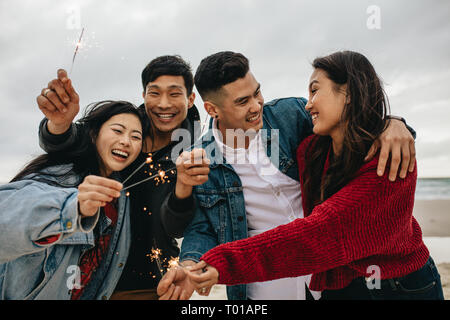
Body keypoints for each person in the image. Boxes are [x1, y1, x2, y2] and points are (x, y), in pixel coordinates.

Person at [179, 51, 445, 300]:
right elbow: (201, 225)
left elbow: (321, 232)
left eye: (257, 92)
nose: (256, 105)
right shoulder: (203, 158)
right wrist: (191, 264)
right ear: (212, 109)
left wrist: (395, 123)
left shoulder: (290, 117)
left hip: (363, 280)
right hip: (274, 285)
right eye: (242, 101)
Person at [36, 56, 210, 299]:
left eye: (174, 94)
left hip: (151, 284)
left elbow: (180, 227)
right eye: (154, 93)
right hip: (84, 279)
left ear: (190, 99)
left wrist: (183, 187)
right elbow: (66, 142)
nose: (163, 104)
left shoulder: (198, 154)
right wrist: (58, 123)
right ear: (143, 94)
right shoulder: (122, 128)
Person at [0, 100, 146, 299]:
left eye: (135, 137)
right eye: (118, 131)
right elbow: (8, 215)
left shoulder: (121, 195)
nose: (126, 141)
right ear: (94, 135)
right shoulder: (59, 176)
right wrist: (73, 207)